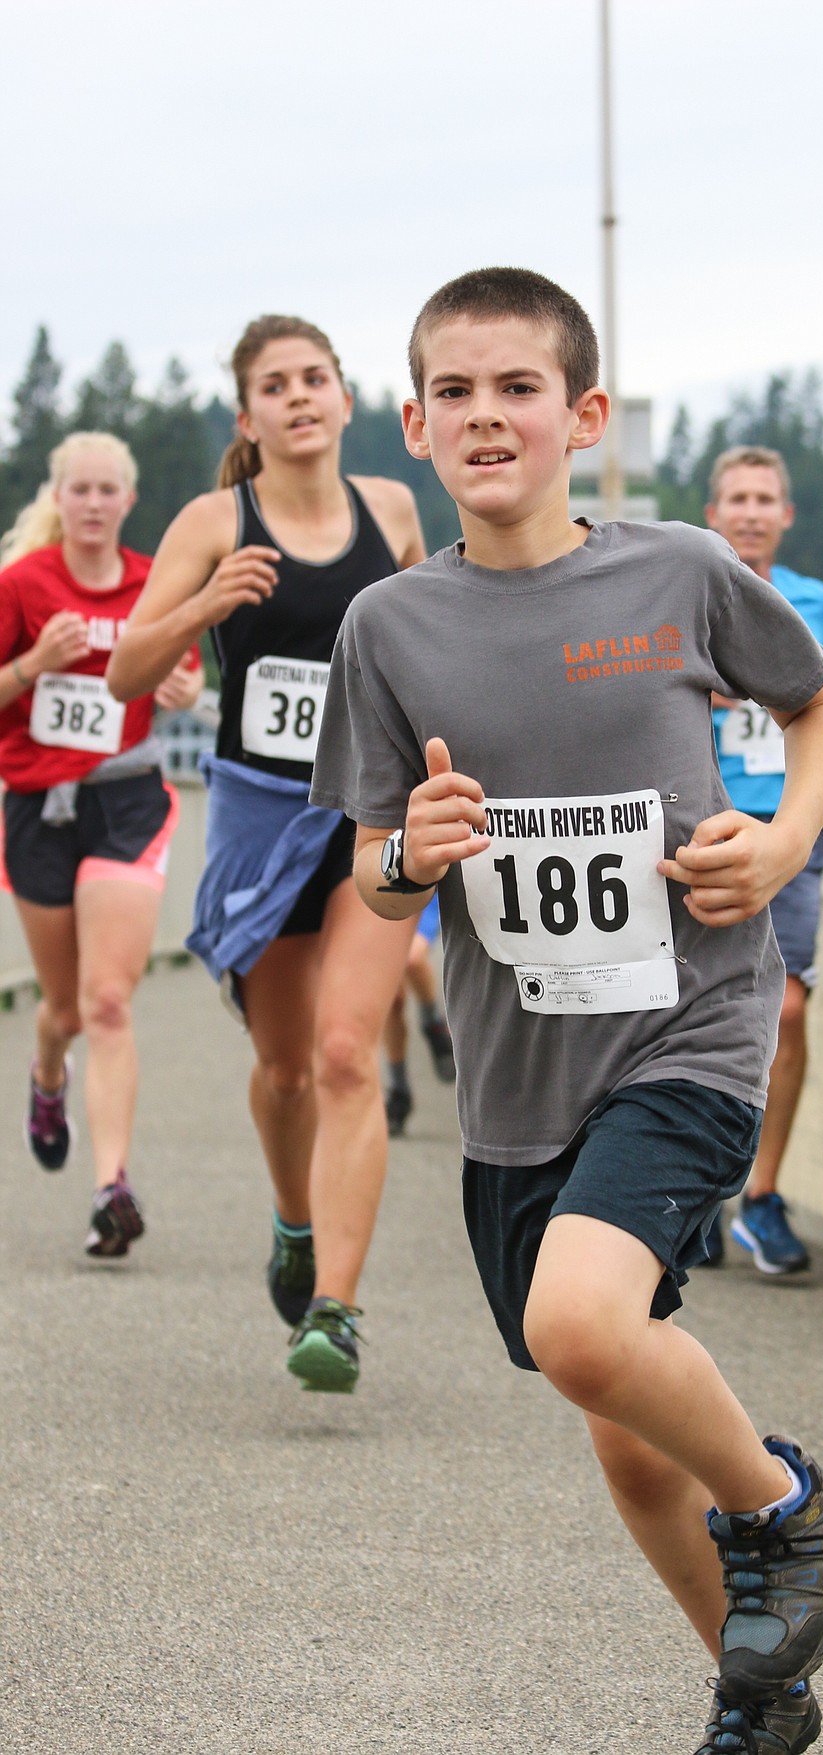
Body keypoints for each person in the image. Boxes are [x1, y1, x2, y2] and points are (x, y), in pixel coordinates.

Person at [311, 269, 823, 1751]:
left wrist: (779, 840)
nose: (485, 415)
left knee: (582, 1326)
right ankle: (763, 1694)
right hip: (518, 1078)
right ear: (415, 422)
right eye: (455, 390)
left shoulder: (679, 571)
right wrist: (406, 851)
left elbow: (821, 708)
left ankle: (785, 1500)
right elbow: (375, 878)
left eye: (517, 388)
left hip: (686, 1028)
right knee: (627, 1442)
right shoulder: (388, 624)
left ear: (583, 415)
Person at [106, 315, 422, 1393]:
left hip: (369, 814)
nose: (299, 396)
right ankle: (294, 1222)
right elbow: (125, 675)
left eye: (316, 378)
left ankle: (334, 1306)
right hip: (256, 813)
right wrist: (204, 602)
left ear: (344, 399)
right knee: (285, 1068)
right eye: (276, 385)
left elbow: (439, 632)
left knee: (345, 1054)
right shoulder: (215, 519)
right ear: (250, 416)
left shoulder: (391, 511)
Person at [0, 432, 202, 1256]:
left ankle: (110, 1187)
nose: (90, 503)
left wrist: (182, 686)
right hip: (35, 804)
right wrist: (30, 667)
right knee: (64, 1008)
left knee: (109, 999)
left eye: (105, 490)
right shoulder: (22, 584)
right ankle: (49, 1068)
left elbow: (180, 675)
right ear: (60, 496)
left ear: (127, 499)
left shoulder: (155, 580)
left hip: (126, 799)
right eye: (76, 489)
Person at [702, 445, 823, 1276]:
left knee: (786, 1009)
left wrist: (723, 676)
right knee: (687, 1017)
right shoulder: (685, 585)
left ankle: (762, 1197)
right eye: (736, 499)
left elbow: (798, 681)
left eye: (765, 499)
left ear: (785, 515)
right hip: (703, 821)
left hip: (789, 822)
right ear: (712, 513)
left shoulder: (810, 598)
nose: (750, 511)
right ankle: (696, 1194)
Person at [382, 892, 456, 1137]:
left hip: (421, 886)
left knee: (413, 959)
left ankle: (432, 1025)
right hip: (377, 889)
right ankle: (399, 1091)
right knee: (391, 999)